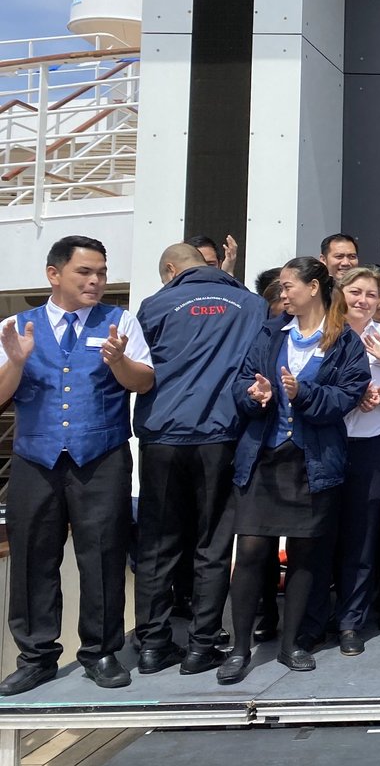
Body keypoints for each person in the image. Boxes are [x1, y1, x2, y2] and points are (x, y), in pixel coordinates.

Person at [0, 236, 154, 695]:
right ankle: (36, 656)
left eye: (101, 273)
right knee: (32, 556)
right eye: (85, 272)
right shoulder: (16, 327)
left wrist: (118, 361)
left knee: (103, 553)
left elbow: (144, 382)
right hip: (35, 457)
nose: (96, 281)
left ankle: (101, 651)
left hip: (100, 455)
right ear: (54, 274)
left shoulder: (121, 321)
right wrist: (16, 362)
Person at [218, 258, 372, 684]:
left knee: (305, 554)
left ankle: (292, 644)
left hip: (313, 460)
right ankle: (240, 648)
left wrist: (303, 393)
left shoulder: (344, 340)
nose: (282, 294)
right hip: (265, 456)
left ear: (314, 287)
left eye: (289, 286)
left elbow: (346, 396)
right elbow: (240, 383)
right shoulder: (270, 333)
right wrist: (255, 394)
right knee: (251, 550)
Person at [132, 243, 267, 676]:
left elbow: (138, 367)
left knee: (157, 542)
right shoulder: (250, 304)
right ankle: (201, 646)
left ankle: (152, 645)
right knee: (213, 543)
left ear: (171, 269)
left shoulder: (155, 305)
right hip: (220, 435)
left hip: (163, 436)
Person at [302, 267, 380, 656]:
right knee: (319, 538)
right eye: (356, 292)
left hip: (370, 446)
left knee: (362, 538)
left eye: (372, 294)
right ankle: (313, 622)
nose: (364, 301)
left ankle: (351, 622)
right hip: (322, 445)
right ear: (340, 292)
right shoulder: (320, 333)